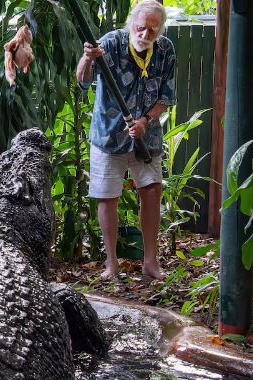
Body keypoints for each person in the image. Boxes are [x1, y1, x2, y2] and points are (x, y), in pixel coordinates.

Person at [76, 0, 176, 280]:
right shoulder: (110, 43)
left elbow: (166, 97)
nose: (145, 35)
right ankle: (111, 264)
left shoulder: (166, 50)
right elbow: (82, 81)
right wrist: (87, 57)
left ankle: (151, 263)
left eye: (152, 31)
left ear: (160, 30)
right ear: (131, 23)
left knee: (152, 190)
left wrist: (146, 121)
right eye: (141, 28)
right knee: (107, 197)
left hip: (147, 137)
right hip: (109, 135)